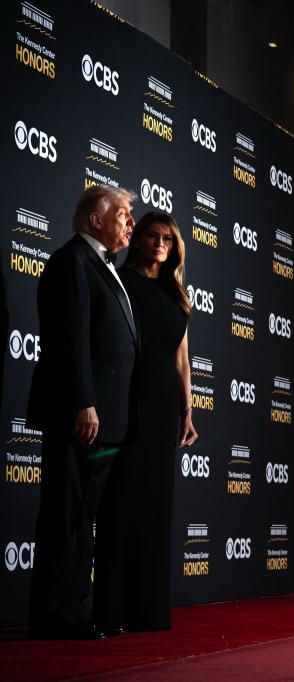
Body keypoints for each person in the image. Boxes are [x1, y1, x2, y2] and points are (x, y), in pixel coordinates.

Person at [26, 185, 138, 639]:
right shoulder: (71, 261)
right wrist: (84, 402)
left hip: (105, 417)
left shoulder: (104, 266)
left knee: (81, 515)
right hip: (81, 416)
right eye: (124, 215)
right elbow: (70, 341)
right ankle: (58, 615)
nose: (131, 223)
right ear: (96, 219)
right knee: (67, 514)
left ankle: (74, 608)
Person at [93, 212, 197, 633]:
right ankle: (113, 609)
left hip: (163, 408)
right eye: (152, 236)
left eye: (168, 240)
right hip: (127, 402)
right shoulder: (119, 283)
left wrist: (187, 411)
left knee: (156, 506)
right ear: (136, 240)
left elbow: (182, 358)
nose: (160, 244)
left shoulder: (175, 292)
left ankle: (149, 609)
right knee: (122, 503)